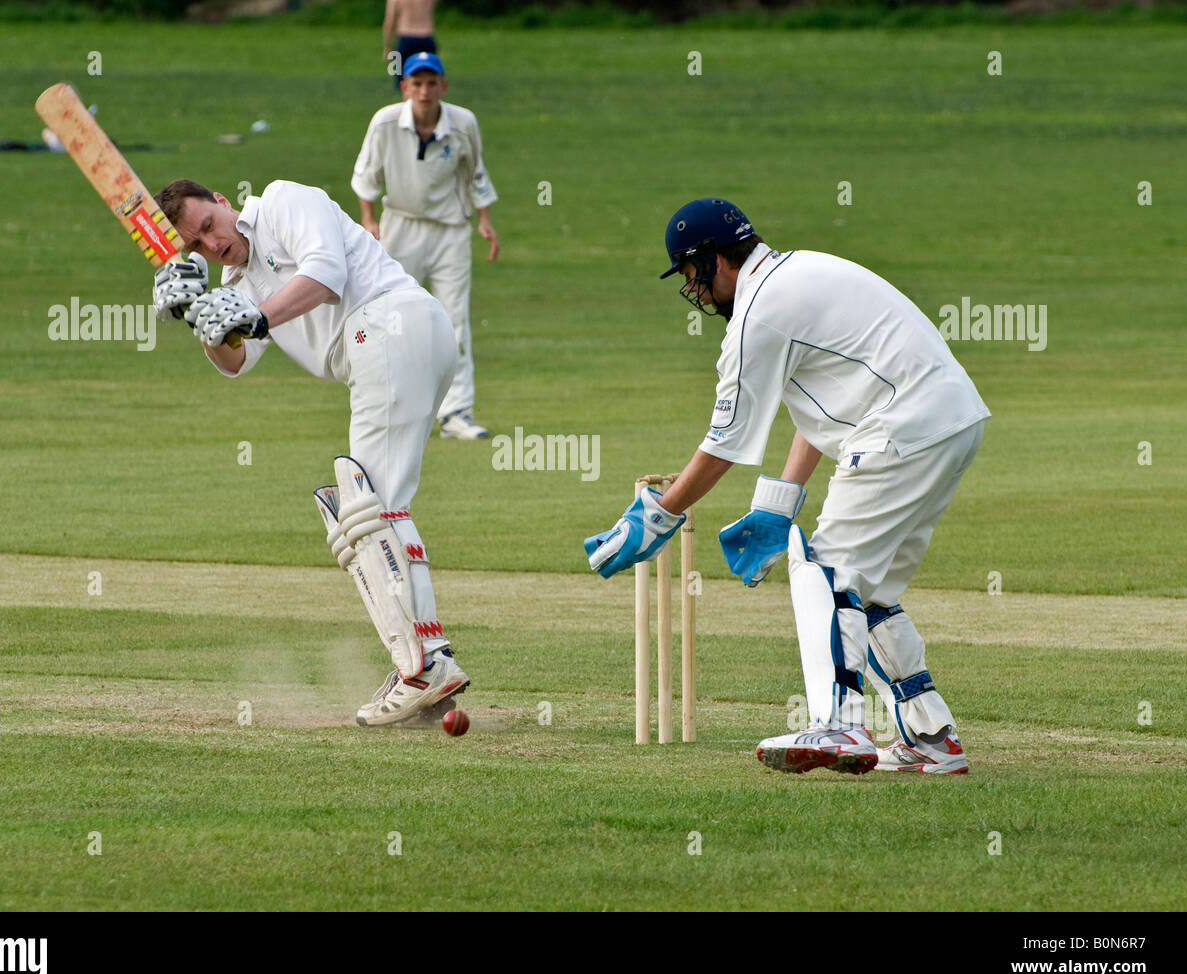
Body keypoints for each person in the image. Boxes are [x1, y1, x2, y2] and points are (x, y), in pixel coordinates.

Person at [584, 198, 989, 776]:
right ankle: (930, 737)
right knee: (866, 593)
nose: (694, 291)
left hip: (902, 427)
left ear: (716, 260)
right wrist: (776, 506)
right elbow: (821, 410)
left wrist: (659, 515)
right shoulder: (797, 275)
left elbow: (723, 441)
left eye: (693, 274)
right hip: (951, 424)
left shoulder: (759, 311)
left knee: (824, 570)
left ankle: (839, 726)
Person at [149, 177, 470, 727]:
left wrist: (254, 317)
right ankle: (423, 669)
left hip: (386, 325)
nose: (212, 243)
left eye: (209, 226)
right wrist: (197, 315)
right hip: (397, 341)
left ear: (223, 203)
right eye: (196, 245)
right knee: (366, 509)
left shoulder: (281, 201)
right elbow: (236, 361)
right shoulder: (236, 284)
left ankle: (424, 666)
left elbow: (325, 275)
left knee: (371, 513)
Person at [352, 51, 499, 440]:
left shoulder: (463, 122)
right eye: (416, 83)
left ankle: (456, 413)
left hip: (451, 229)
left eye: (432, 83)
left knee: (454, 319)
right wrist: (369, 221)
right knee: (392, 315)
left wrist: (485, 222)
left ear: (443, 87)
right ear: (405, 88)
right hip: (399, 225)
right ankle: (391, 406)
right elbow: (366, 176)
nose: (424, 90)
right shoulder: (385, 122)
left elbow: (476, 174)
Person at [383, 0, 439, 90]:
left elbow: (390, 21)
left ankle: (405, 99)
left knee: (400, 75)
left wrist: (388, 47)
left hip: (406, 37)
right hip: (426, 36)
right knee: (428, 75)